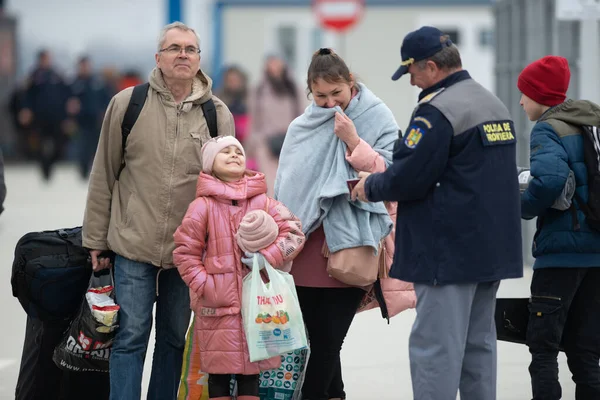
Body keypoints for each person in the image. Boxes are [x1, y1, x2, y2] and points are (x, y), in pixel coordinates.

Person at [352, 26, 523, 399]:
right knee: (479, 348)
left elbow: (410, 177)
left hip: (447, 254)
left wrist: (369, 187)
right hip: (489, 250)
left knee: (436, 351)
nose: (411, 81)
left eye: (411, 72)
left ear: (430, 66)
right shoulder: (492, 103)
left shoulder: (437, 111)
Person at [82, 21, 235, 400]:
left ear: (199, 59)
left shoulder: (217, 114)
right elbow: (104, 174)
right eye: (174, 48)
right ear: (158, 58)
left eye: (190, 49)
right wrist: (95, 239)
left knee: (173, 339)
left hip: (189, 252)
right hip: (133, 244)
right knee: (130, 337)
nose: (183, 55)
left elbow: (228, 187)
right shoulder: (127, 104)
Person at [275, 48, 415, 400]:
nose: (329, 103)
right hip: (305, 247)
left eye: (336, 93)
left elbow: (392, 176)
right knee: (316, 340)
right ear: (309, 91)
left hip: (353, 245)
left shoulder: (377, 115)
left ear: (351, 83)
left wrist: (353, 140)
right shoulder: (301, 126)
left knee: (329, 341)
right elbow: (286, 186)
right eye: (320, 96)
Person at [173, 136, 305, 400]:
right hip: (217, 307)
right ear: (210, 164)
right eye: (225, 153)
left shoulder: (263, 202)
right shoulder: (202, 207)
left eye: (238, 151)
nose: (234, 155)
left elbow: (294, 233)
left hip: (259, 308)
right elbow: (184, 252)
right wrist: (205, 285)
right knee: (218, 376)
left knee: (252, 376)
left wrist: (267, 257)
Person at [517, 55, 600, 400]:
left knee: (543, 350)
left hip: (561, 256)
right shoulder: (591, 124)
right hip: (596, 256)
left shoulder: (548, 129)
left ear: (540, 96)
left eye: (524, 94)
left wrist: (522, 207)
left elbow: (549, 179)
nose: (521, 101)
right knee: (586, 353)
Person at [248, 54, 305, 194]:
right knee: (270, 184)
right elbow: (254, 118)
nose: (274, 67)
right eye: (271, 63)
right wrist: (251, 146)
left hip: (290, 141)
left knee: (291, 183)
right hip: (266, 143)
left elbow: (302, 115)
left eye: (277, 63)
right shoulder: (259, 90)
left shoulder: (293, 89)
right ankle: (273, 213)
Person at [19, 50, 71, 181]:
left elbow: (66, 95)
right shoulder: (33, 76)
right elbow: (25, 95)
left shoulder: (57, 75)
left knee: (60, 146)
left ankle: (50, 164)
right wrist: (26, 110)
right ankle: (44, 167)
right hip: (38, 119)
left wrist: (67, 116)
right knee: (38, 146)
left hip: (56, 118)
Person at [68, 56, 110, 179]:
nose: (85, 68)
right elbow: (67, 101)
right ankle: (83, 172)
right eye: (83, 66)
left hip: (97, 121)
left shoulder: (98, 82)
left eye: (87, 66)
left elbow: (107, 98)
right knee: (82, 147)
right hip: (80, 122)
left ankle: (97, 173)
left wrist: (105, 112)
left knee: (98, 148)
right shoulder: (74, 83)